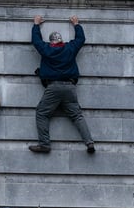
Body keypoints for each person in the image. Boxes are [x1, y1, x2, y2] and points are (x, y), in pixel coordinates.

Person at [28, 15, 95, 154]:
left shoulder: (47, 49)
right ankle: (89, 142)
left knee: (42, 113)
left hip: (53, 87)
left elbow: (36, 41)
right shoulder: (69, 48)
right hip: (70, 87)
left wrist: (36, 25)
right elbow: (80, 40)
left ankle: (45, 144)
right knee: (77, 116)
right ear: (61, 41)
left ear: (51, 42)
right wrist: (76, 24)